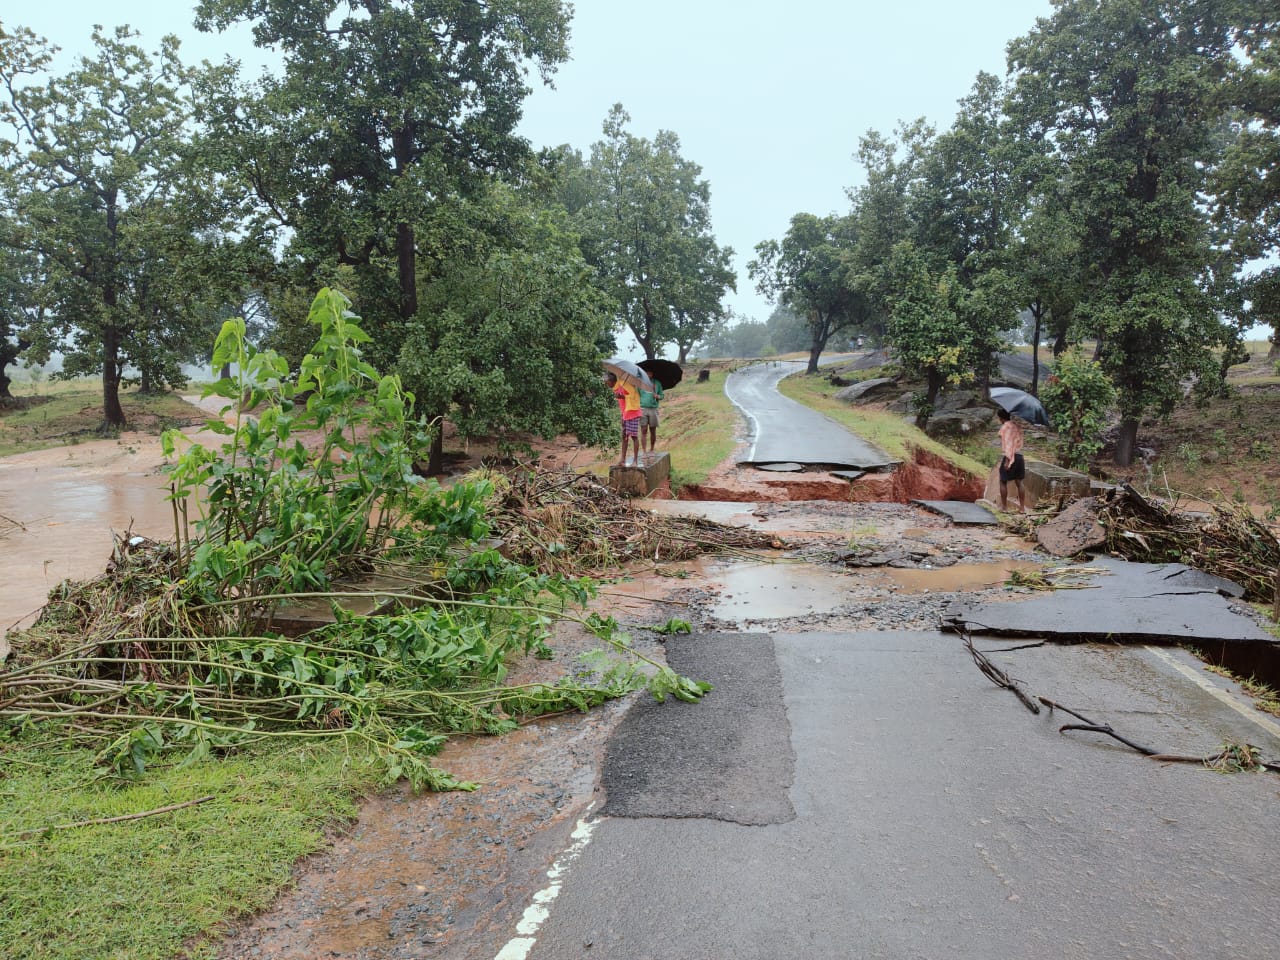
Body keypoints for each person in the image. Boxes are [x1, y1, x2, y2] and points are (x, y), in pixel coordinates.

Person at [606, 372, 643, 466]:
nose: (606, 384)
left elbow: (634, 396)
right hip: (625, 413)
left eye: (607, 382)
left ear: (612, 380)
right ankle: (623, 459)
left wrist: (623, 396)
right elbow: (622, 404)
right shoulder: (617, 387)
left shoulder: (625, 385)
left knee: (634, 436)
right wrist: (622, 416)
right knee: (624, 436)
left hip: (633, 412)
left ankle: (635, 461)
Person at [997, 407, 1027, 513]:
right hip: (1020, 456)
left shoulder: (1006, 427)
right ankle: (1022, 508)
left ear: (1001, 418)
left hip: (1011, 456)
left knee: (1002, 480)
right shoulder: (1016, 425)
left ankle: (1004, 507)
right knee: (1019, 482)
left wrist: (1007, 460)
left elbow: (1009, 444)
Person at [638, 377, 664, 454]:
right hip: (643, 409)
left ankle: (652, 449)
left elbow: (662, 395)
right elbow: (638, 394)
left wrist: (657, 396)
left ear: (652, 373)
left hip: (653, 409)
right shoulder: (640, 382)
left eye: (650, 372)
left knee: (653, 430)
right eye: (646, 372)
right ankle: (644, 451)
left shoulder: (657, 383)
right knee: (643, 430)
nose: (648, 374)